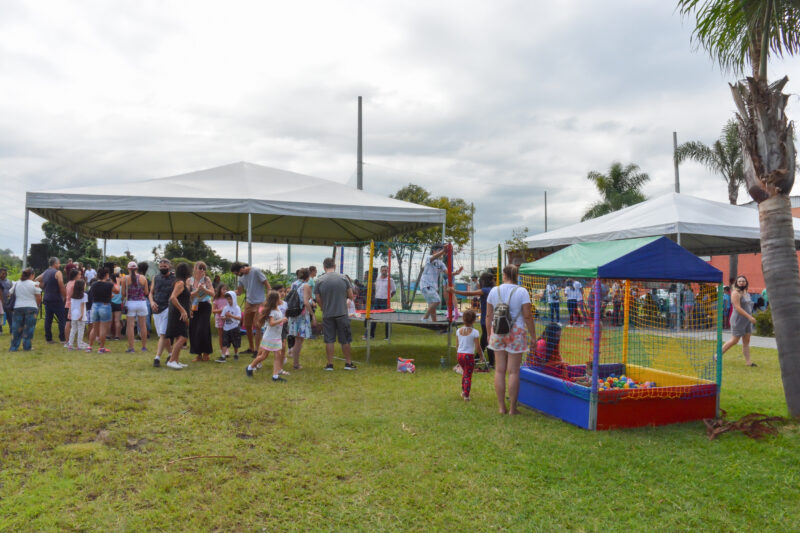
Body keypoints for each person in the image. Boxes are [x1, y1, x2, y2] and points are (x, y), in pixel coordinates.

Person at [485, 265, 536, 415]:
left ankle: (501, 407)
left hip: (498, 331)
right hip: (517, 333)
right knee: (513, 371)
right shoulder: (522, 291)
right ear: (517, 275)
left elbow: (488, 315)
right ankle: (513, 408)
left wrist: (489, 333)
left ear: (504, 274)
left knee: (499, 370)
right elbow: (527, 315)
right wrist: (533, 336)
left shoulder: (494, 291)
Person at [315, 257, 356, 371]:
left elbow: (317, 298)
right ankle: (348, 363)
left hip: (328, 314)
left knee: (329, 339)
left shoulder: (319, 280)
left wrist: (323, 307)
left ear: (324, 267)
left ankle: (330, 364)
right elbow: (351, 296)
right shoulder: (343, 278)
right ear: (335, 266)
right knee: (345, 340)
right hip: (342, 313)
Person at [447, 272, 496, 368]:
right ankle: (478, 358)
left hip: (486, 319)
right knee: (484, 340)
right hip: (493, 319)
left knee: (488, 339)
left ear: (483, 281)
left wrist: (454, 291)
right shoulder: (494, 290)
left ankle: (490, 362)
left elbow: (469, 293)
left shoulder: (485, 290)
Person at [246, 290, 287, 382]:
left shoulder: (277, 308)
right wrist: (282, 320)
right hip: (270, 337)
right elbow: (271, 323)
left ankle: (275, 376)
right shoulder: (272, 311)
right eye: (279, 297)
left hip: (276, 336)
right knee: (264, 356)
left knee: (277, 355)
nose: (281, 298)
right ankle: (250, 367)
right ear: (275, 300)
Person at [232, 262, 271, 354]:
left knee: (258, 326)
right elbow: (239, 292)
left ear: (241, 268)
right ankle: (251, 348)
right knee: (247, 325)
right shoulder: (241, 278)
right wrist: (227, 293)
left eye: (237, 273)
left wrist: (268, 300)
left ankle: (257, 350)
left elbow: (268, 286)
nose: (237, 275)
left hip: (260, 303)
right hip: (249, 303)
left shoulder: (256, 271)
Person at [720, 275, 758, 367]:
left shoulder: (746, 292)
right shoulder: (735, 293)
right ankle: (717, 355)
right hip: (738, 320)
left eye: (743, 281)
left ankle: (748, 362)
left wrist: (750, 317)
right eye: (740, 281)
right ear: (736, 283)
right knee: (734, 340)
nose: (741, 283)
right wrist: (749, 317)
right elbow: (737, 308)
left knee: (746, 341)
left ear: (746, 283)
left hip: (747, 321)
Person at [165, 263, 191, 370]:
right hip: (177, 313)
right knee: (183, 337)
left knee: (179, 336)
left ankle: (176, 360)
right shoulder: (180, 283)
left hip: (179, 312)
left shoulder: (181, 283)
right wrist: (183, 311)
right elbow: (173, 298)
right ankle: (171, 361)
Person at [288, 268, 315, 370]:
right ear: (308, 276)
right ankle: (296, 364)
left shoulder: (294, 284)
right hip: (302, 315)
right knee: (299, 340)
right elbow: (305, 302)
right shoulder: (306, 286)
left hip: (293, 313)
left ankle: (295, 360)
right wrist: (312, 314)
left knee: (296, 339)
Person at [149, 259, 175, 367]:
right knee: (162, 335)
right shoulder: (155, 278)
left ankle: (157, 357)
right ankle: (171, 354)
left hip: (167, 308)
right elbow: (151, 292)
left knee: (163, 334)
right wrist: (151, 302)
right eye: (161, 266)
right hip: (156, 309)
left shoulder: (174, 279)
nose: (163, 268)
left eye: (165, 266)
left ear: (169, 266)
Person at [9, 268, 41, 351]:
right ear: (32, 275)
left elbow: (10, 293)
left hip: (18, 307)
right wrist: (38, 305)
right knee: (29, 328)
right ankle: (27, 347)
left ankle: (14, 347)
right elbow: (38, 297)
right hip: (31, 307)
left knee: (16, 328)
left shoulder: (16, 283)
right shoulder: (34, 284)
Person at [36, 257, 67, 344]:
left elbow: (36, 280)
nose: (60, 265)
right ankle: (62, 338)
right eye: (59, 263)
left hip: (47, 298)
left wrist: (44, 286)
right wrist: (65, 296)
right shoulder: (58, 272)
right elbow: (61, 285)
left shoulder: (45, 272)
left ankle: (48, 339)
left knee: (48, 320)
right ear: (55, 264)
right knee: (62, 319)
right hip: (56, 299)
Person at [187, 261, 214, 362]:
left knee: (203, 328)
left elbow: (213, 293)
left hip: (205, 305)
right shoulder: (189, 280)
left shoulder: (207, 280)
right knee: (194, 329)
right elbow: (188, 295)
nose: (202, 270)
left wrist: (204, 289)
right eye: (200, 268)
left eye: (204, 268)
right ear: (195, 269)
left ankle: (206, 352)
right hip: (194, 306)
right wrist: (197, 291)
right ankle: (198, 354)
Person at [121, 261, 149, 353]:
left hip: (131, 303)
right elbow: (146, 293)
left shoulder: (125, 279)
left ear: (128, 269)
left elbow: (124, 294)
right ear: (137, 268)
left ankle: (131, 348)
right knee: (143, 325)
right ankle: (144, 347)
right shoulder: (143, 278)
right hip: (142, 302)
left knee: (130, 326)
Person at [87, 267, 116, 353]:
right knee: (103, 328)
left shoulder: (93, 284)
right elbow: (117, 290)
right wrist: (111, 282)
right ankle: (101, 348)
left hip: (95, 306)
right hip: (105, 305)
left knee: (94, 328)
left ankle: (89, 346)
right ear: (106, 275)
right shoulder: (109, 284)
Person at [456, 309, 481, 401]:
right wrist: (481, 356)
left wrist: (457, 354)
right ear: (474, 320)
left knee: (464, 373)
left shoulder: (458, 331)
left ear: (463, 319)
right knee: (468, 375)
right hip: (469, 356)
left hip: (460, 355)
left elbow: (457, 344)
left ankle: (463, 391)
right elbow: (478, 347)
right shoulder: (475, 332)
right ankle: (466, 395)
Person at [367, 264, 396, 340]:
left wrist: (389, 297)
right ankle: (371, 335)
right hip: (377, 300)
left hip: (385, 300)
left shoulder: (390, 280)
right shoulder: (377, 279)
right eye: (383, 270)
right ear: (380, 271)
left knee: (387, 318)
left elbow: (394, 291)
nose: (384, 271)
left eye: (385, 270)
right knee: (374, 318)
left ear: (388, 271)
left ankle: (387, 336)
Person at [217, 290, 242, 363]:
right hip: (226, 328)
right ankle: (223, 356)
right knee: (224, 342)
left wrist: (231, 316)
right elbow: (222, 316)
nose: (229, 301)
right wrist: (226, 317)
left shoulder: (237, 308)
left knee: (235, 343)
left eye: (230, 299)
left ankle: (236, 354)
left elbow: (239, 318)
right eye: (227, 299)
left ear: (234, 298)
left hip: (234, 328)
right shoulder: (226, 308)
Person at [67, 279, 89, 351]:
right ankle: (79, 345)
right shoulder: (84, 295)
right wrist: (82, 315)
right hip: (80, 314)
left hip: (74, 314)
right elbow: (82, 306)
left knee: (73, 329)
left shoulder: (73, 295)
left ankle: (70, 344)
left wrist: (69, 313)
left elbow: (71, 305)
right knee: (80, 330)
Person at [62, 268, 80, 346]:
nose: (80, 276)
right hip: (74, 305)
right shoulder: (76, 283)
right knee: (75, 323)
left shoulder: (68, 283)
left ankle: (67, 340)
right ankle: (72, 340)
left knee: (68, 323)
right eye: (79, 274)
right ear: (76, 276)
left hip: (67, 303)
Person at [212, 283, 229, 360]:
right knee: (221, 335)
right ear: (220, 290)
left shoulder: (228, 299)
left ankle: (227, 349)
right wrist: (221, 310)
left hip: (227, 319)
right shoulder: (216, 300)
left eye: (226, 289)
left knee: (227, 335)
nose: (225, 291)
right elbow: (213, 311)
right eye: (223, 289)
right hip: (219, 319)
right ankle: (222, 350)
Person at [110, 272, 123, 340]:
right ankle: (117, 336)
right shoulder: (121, 287)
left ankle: (108, 335)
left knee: (110, 321)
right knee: (117, 321)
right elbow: (123, 296)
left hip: (111, 303)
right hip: (118, 304)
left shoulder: (111, 286)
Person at [0, 267, 10, 334]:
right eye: (3, 273)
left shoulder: (8, 281)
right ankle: (0, 330)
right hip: (0, 302)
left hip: (7, 302)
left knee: (10, 316)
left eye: (5, 274)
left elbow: (11, 290)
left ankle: (12, 329)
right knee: (0, 317)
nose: (4, 275)